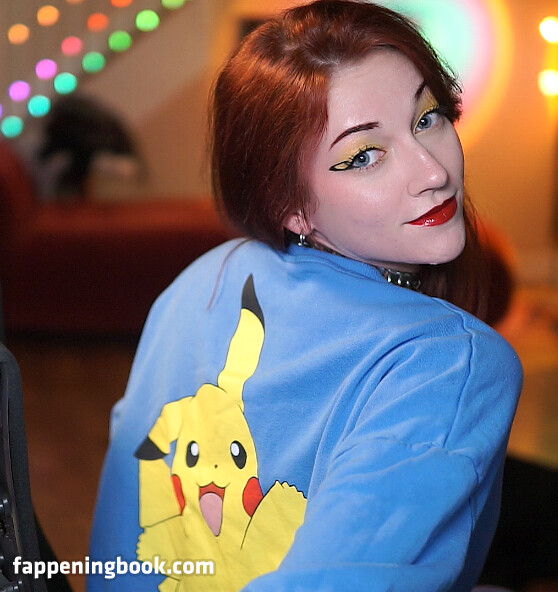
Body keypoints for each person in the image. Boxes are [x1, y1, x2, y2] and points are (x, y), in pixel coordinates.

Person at [88, 1, 522, 591]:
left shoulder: (203, 277)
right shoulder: (449, 360)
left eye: (427, 118)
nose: (433, 171)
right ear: (290, 205)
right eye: (363, 156)